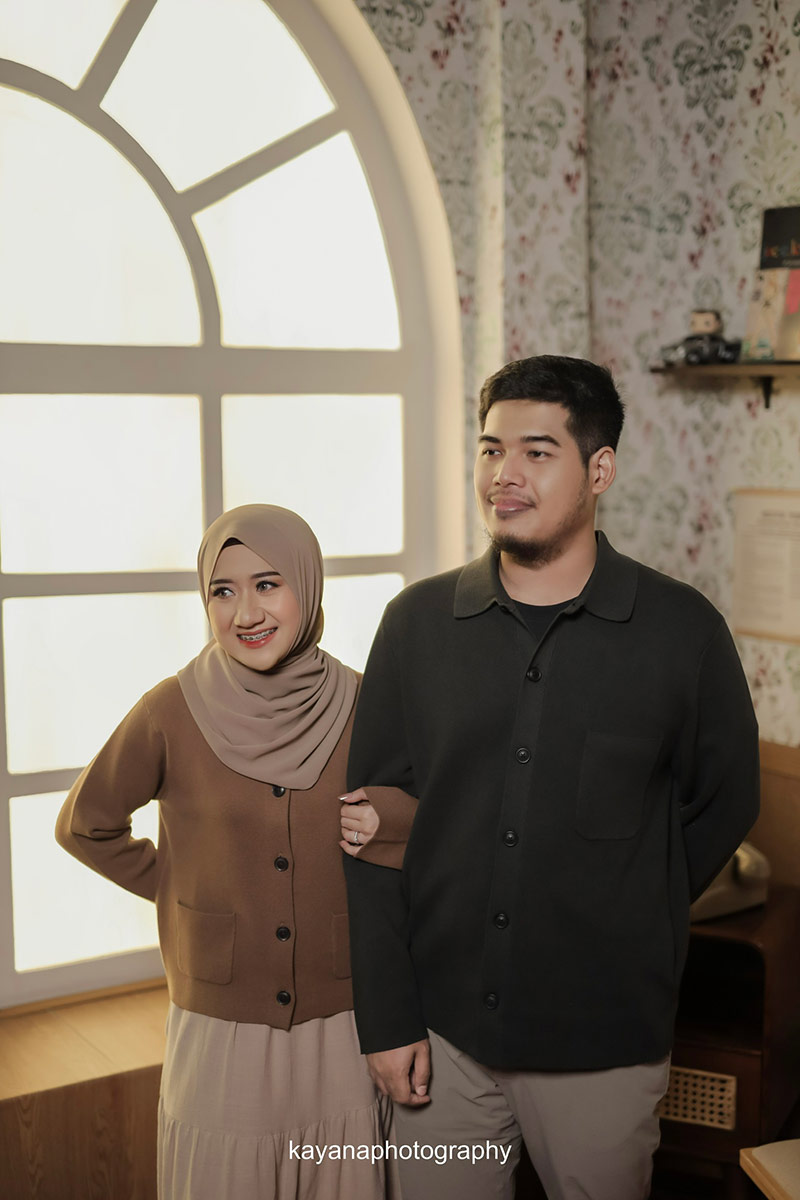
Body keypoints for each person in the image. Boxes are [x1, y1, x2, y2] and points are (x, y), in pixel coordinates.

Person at [343, 355, 760, 1200]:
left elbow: (726, 800)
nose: (505, 474)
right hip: (442, 1040)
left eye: (537, 452)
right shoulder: (415, 624)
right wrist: (386, 1020)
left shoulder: (683, 631)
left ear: (599, 470)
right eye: (491, 449)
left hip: (605, 1042)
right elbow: (371, 834)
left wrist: (634, 908)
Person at [56, 503, 413, 1200]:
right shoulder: (170, 710)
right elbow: (84, 825)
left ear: (307, 586)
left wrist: (390, 820)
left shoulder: (365, 702)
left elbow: (433, 822)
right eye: (223, 591)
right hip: (220, 1033)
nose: (245, 612)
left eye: (268, 584)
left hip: (344, 1023)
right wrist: (182, 889)